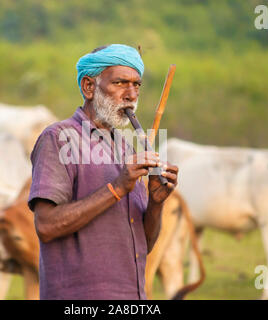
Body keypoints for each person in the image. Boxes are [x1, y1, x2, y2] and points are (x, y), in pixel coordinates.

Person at [28, 44, 179, 299]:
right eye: (120, 83)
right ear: (89, 87)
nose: (131, 95)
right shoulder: (59, 138)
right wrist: (118, 188)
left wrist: (155, 203)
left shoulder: (125, 148)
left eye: (137, 85)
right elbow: (46, 225)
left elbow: (144, 245)